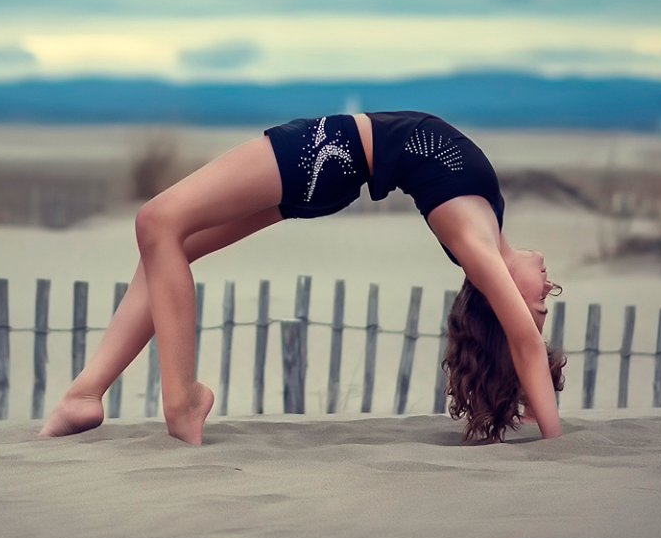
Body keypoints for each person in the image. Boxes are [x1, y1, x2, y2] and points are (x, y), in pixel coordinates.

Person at [37, 110, 565, 445]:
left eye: (539, 303)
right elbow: (520, 336)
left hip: (329, 153)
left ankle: (182, 401)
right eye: (547, 300)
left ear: (505, 301)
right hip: (336, 173)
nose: (548, 288)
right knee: (168, 246)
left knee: (156, 221)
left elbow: (521, 342)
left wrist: (555, 439)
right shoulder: (484, 222)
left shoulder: (474, 241)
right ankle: (85, 395)